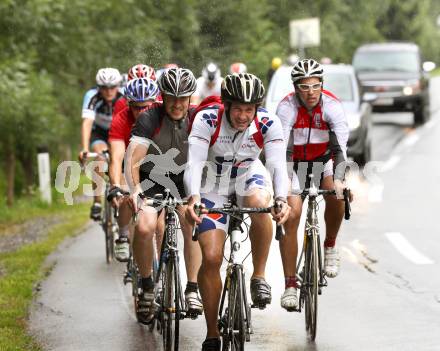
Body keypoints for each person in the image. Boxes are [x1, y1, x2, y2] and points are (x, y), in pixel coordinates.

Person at [184, 73, 290, 351]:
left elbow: (278, 166)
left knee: (260, 203)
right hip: (211, 184)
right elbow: (194, 164)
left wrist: (281, 198)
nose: (244, 116)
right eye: (238, 109)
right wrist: (194, 197)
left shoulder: (268, 122)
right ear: (227, 105)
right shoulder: (207, 119)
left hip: (248, 176)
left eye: (250, 109)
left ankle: (259, 276)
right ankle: (211, 332)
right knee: (211, 256)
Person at [126, 68, 203, 323]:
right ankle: (147, 284)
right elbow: (133, 161)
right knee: (145, 226)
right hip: (151, 179)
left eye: (184, 98)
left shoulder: (197, 118)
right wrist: (136, 190)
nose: (178, 104)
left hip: (184, 180)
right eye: (172, 97)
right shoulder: (149, 118)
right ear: (163, 96)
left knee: (192, 221)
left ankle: (192, 288)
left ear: (191, 97)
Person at [276, 58, 349, 311]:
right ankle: (290, 284)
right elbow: (281, 150)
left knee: (338, 195)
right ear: (296, 87)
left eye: (315, 86)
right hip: (294, 163)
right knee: (291, 213)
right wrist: (283, 185)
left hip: (324, 160)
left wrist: (339, 181)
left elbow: (340, 150)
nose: (310, 92)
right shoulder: (286, 108)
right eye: (304, 87)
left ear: (322, 84)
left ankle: (329, 245)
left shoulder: (332, 106)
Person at [107, 77, 159, 262]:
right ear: (128, 104)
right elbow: (116, 158)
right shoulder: (121, 119)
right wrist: (115, 187)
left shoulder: (162, 115)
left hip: (153, 165)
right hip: (127, 164)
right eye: (136, 107)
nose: (142, 111)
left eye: (146, 106)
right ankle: (122, 234)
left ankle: (164, 270)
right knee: (124, 191)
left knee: (160, 225)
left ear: (155, 102)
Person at [79, 67, 123, 220]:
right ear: (99, 87)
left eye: (112, 87)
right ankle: (97, 202)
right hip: (100, 133)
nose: (109, 91)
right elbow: (87, 123)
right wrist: (85, 148)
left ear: (118, 86)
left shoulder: (124, 95)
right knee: (100, 158)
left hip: (119, 133)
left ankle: (119, 192)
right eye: (104, 87)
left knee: (120, 161)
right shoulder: (92, 96)